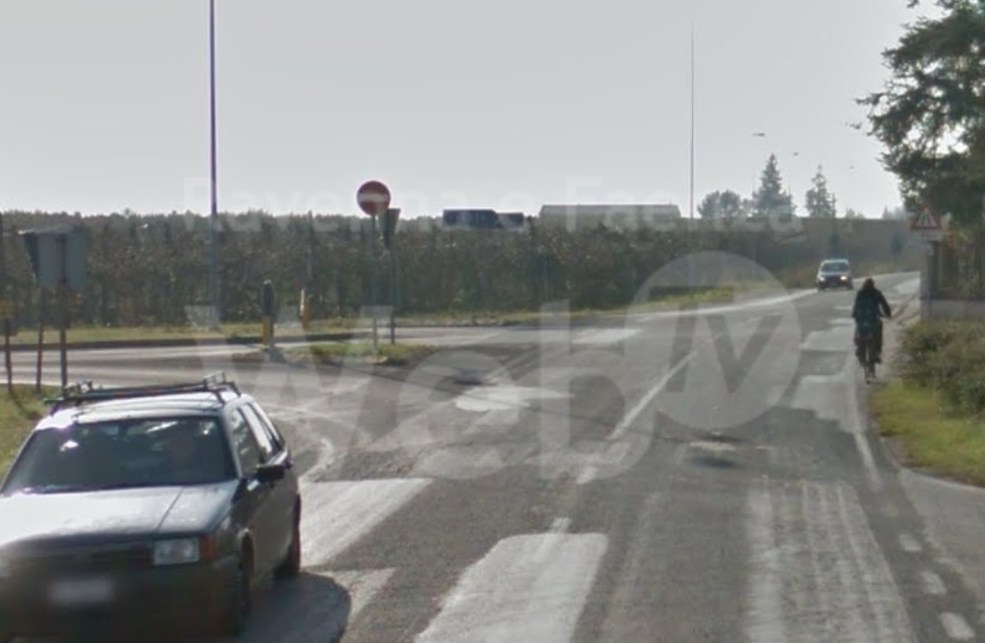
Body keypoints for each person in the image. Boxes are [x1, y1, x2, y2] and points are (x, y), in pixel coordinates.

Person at [852, 277, 892, 363]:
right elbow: (884, 304)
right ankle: (877, 351)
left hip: (862, 318)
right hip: (873, 318)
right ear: (873, 285)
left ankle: (859, 349)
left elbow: (856, 305)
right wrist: (888, 314)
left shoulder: (860, 292)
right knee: (878, 330)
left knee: (859, 329)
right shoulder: (877, 293)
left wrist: (855, 315)